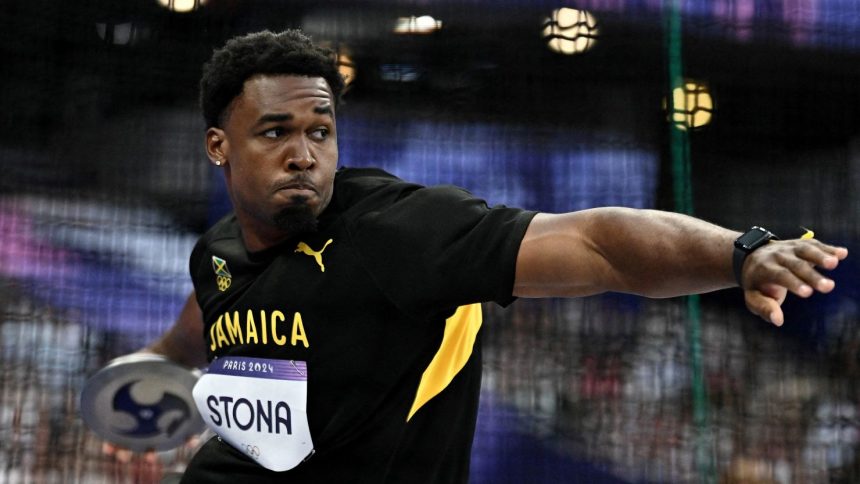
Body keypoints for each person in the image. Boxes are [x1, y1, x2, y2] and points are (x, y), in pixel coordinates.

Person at [128, 29, 846, 483]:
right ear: (218, 145)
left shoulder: (394, 230)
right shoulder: (216, 252)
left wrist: (741, 252)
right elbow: (201, 326)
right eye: (275, 132)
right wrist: (141, 380)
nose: (303, 154)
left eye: (320, 131)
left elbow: (600, 244)